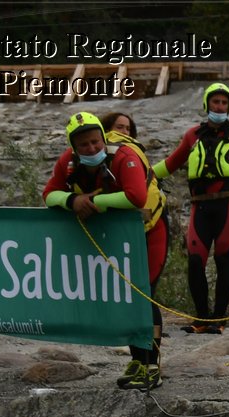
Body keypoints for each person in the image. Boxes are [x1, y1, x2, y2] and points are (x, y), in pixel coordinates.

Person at [42, 110, 169, 390]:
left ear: (102, 137)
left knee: (144, 295)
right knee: (126, 297)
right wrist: (73, 200)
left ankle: (152, 365)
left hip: (150, 231)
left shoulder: (124, 157)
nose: (92, 148)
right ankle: (137, 359)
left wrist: (95, 201)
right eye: (84, 145)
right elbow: (49, 193)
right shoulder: (68, 162)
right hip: (120, 236)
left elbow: (135, 196)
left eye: (96, 142)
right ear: (74, 147)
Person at [154, 83, 229, 334]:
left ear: (228, 107)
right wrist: (140, 175)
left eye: (223, 103)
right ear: (207, 104)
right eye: (215, 102)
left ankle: (219, 320)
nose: (219, 107)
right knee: (196, 261)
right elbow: (169, 165)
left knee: (223, 259)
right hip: (200, 207)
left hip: (228, 204)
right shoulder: (192, 136)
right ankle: (201, 318)